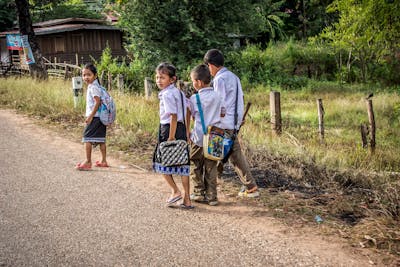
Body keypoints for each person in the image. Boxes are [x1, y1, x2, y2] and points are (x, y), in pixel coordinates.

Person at [203, 49, 260, 198]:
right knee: (232, 154)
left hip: (223, 124)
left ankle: (209, 190)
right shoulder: (234, 77)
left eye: (208, 67)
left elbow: (219, 102)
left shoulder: (219, 80)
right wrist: (240, 117)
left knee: (214, 155)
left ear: (211, 65)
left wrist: (212, 119)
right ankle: (249, 186)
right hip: (234, 122)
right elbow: (240, 98)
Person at [152, 62, 194, 209]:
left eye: (162, 77)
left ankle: (175, 191)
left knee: (162, 161)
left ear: (172, 79)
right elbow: (188, 110)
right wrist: (187, 131)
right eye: (157, 77)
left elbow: (173, 116)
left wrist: (170, 137)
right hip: (181, 129)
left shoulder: (168, 94)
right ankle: (187, 199)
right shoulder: (179, 93)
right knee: (183, 163)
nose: (158, 80)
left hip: (169, 129)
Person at [187, 64, 222, 206]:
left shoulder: (195, 99)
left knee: (195, 164)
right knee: (211, 166)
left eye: (193, 81)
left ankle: (198, 192)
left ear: (199, 82)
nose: (192, 84)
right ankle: (212, 196)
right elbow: (223, 112)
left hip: (199, 137)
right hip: (215, 137)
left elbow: (192, 117)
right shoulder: (218, 96)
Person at [76, 63, 109, 171]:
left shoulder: (93, 87)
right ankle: (103, 161)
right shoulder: (97, 86)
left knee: (87, 139)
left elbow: (97, 102)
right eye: (84, 75)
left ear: (95, 75)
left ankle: (88, 162)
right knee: (101, 140)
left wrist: (90, 116)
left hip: (95, 117)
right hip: (101, 117)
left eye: (89, 75)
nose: (86, 77)